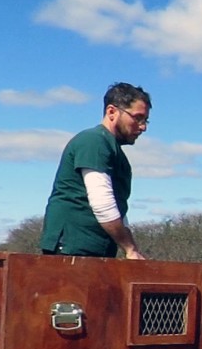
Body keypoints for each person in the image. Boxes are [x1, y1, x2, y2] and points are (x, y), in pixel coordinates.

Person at [40, 82, 151, 259]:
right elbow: (102, 203)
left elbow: (117, 208)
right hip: (72, 250)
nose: (143, 127)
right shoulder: (94, 141)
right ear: (112, 112)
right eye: (137, 118)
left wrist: (133, 250)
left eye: (145, 120)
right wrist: (129, 249)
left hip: (94, 251)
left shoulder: (113, 149)